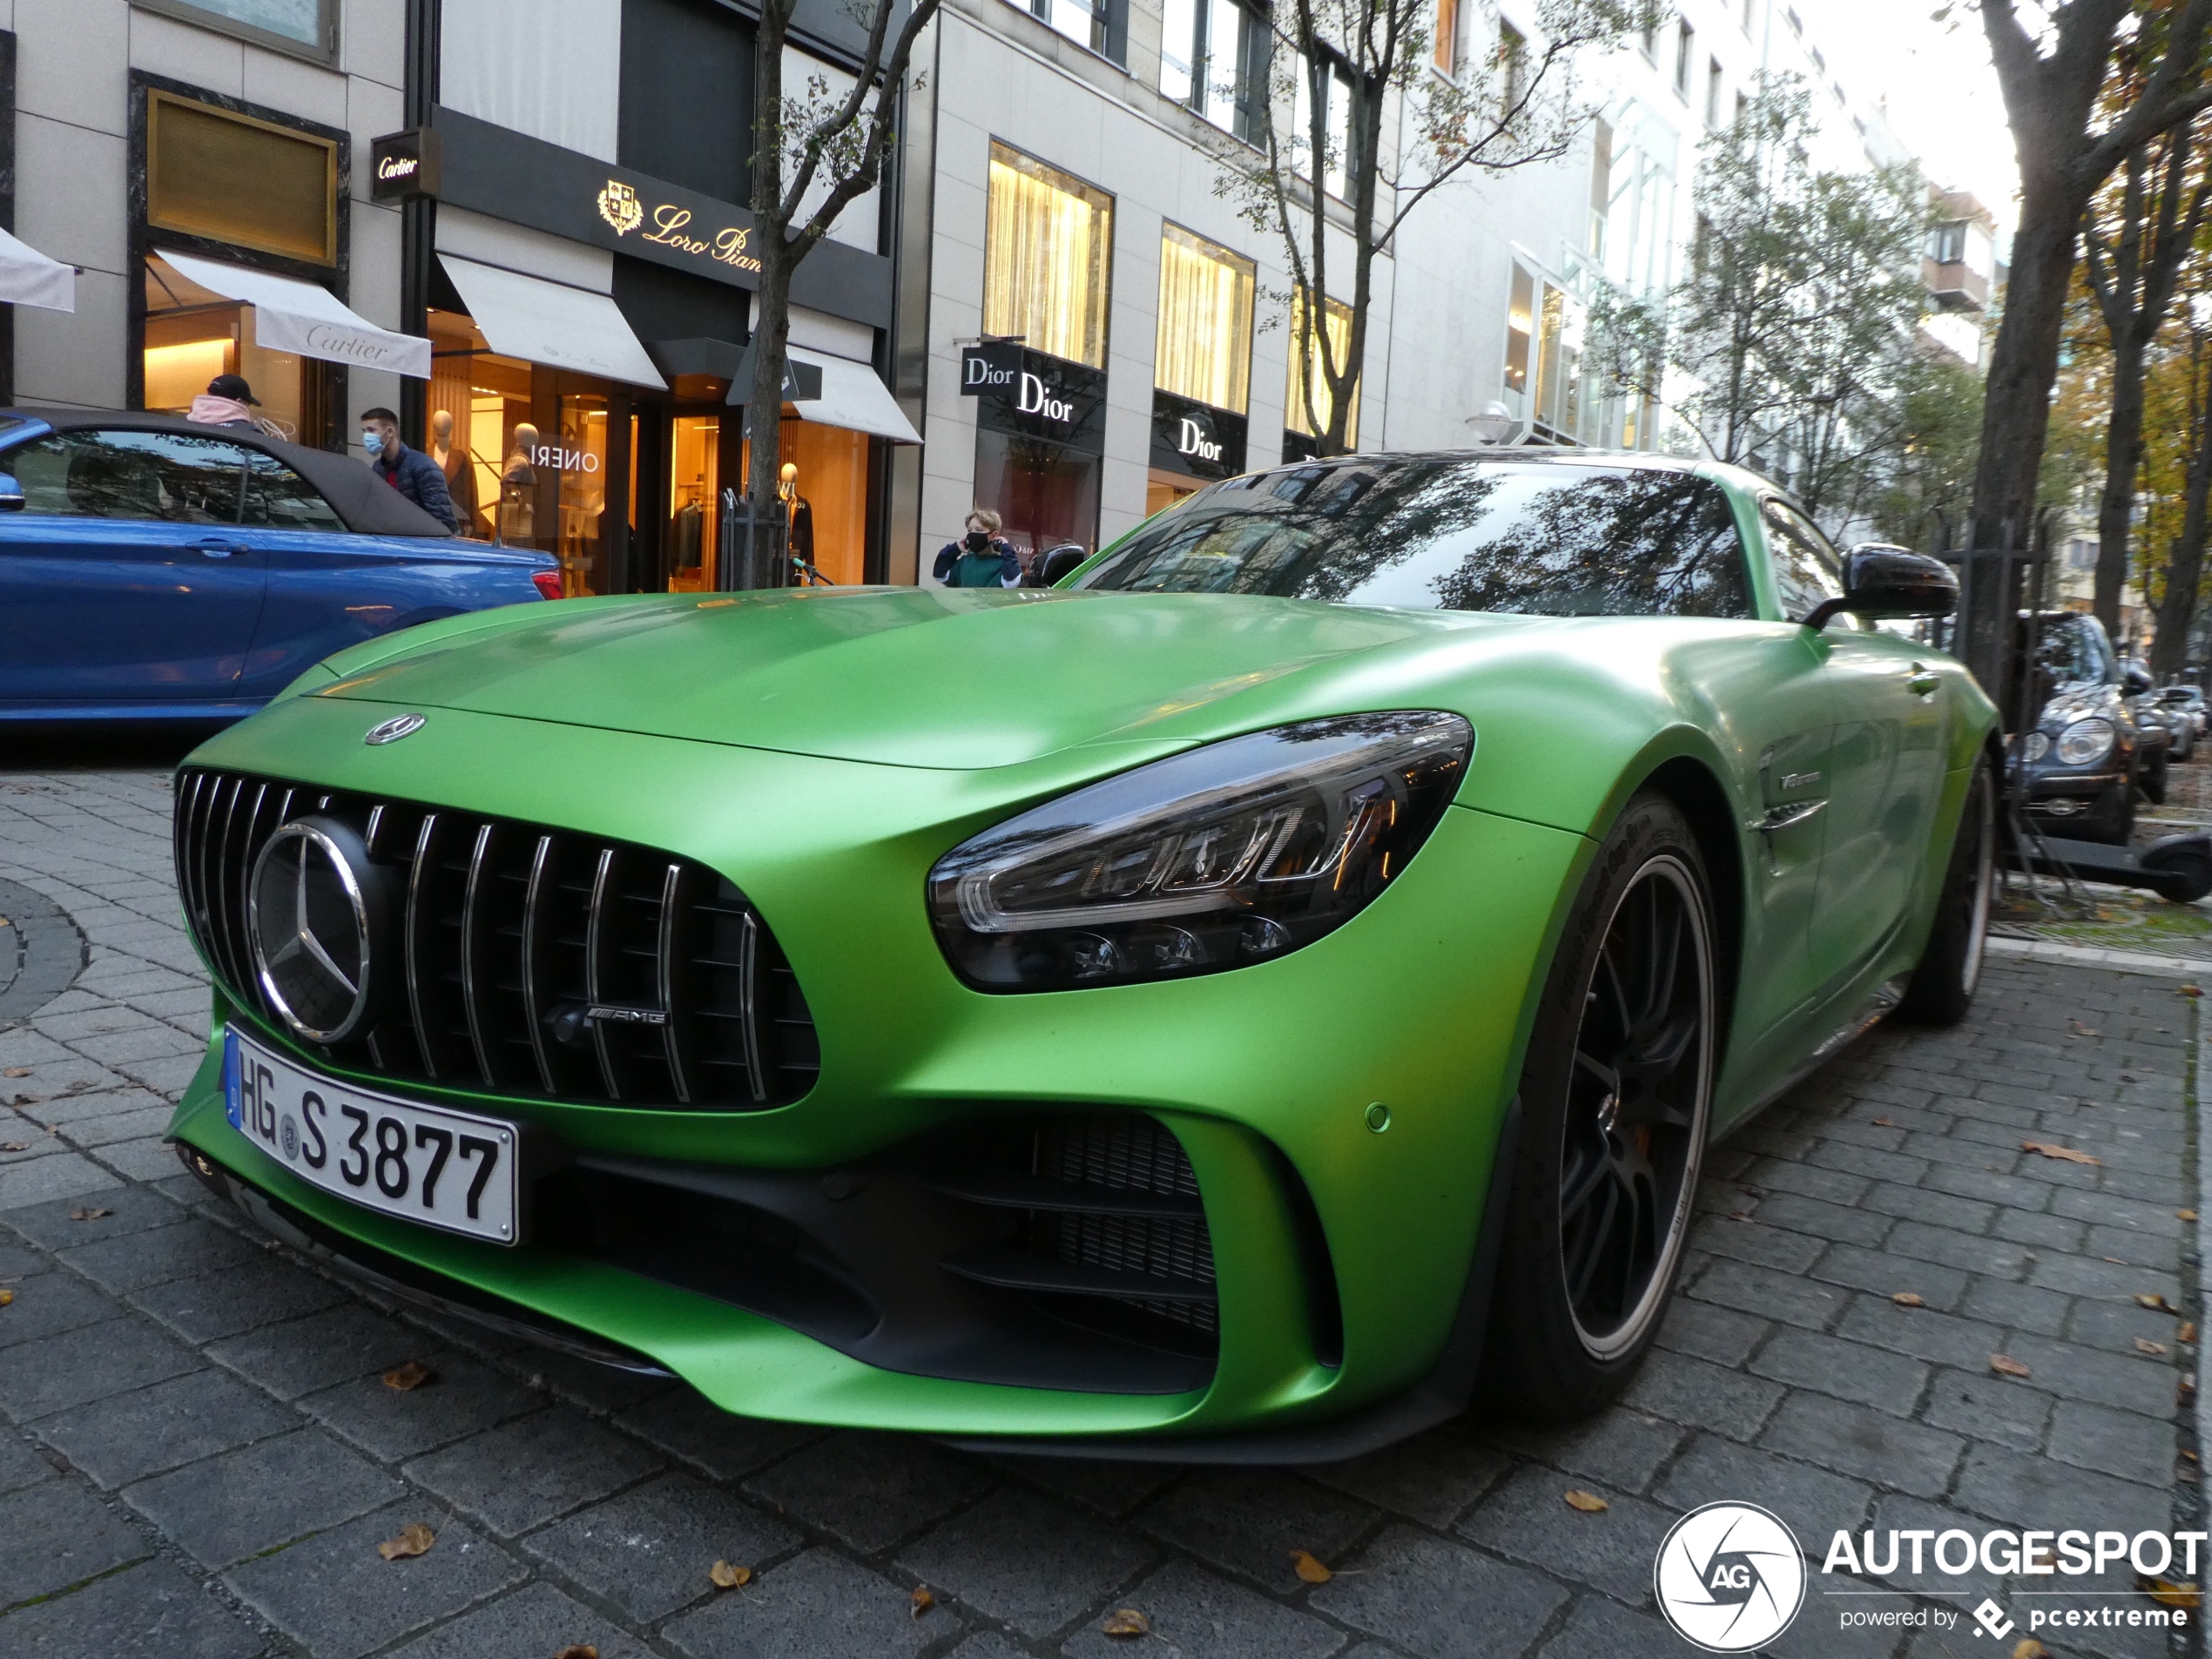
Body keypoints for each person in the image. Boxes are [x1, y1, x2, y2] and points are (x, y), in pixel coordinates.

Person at [360, 408, 458, 532]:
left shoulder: (423, 465)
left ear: (390, 432)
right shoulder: (378, 468)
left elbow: (441, 518)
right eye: (364, 431)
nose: (366, 437)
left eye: (371, 430)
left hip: (421, 542)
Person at [933, 509, 1021, 588]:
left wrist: (1006, 549)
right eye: (970, 530)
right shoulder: (965, 562)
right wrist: (955, 548)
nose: (972, 534)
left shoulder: (1002, 564)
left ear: (994, 535)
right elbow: (940, 574)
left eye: (979, 530)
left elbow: (1012, 583)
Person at [186, 374, 262, 429]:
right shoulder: (248, 432)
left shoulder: (184, 425)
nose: (248, 408)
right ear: (239, 402)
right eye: (247, 404)